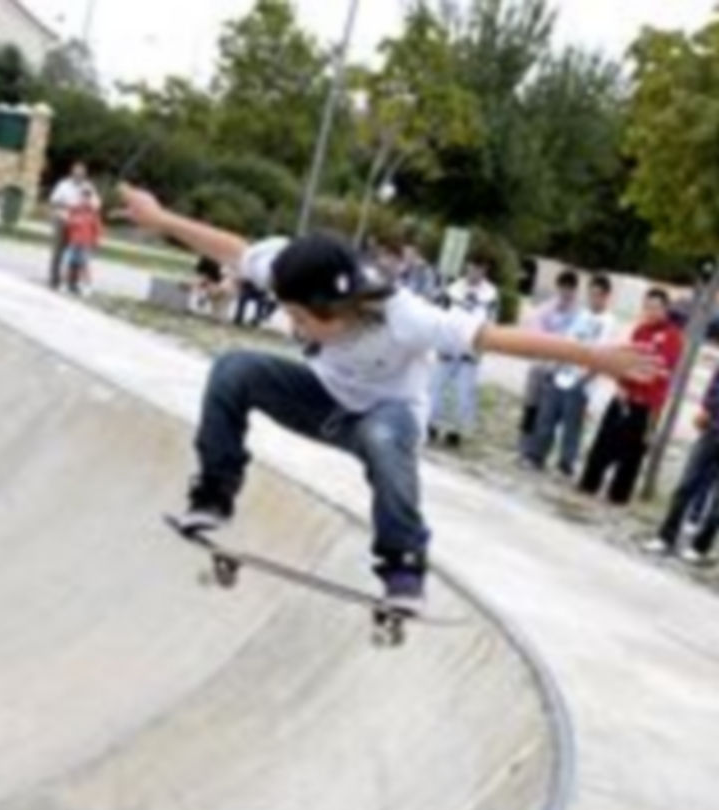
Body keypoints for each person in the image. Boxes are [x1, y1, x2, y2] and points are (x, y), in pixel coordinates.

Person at [118, 183, 660, 611]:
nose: (295, 325)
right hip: (322, 401)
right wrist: (161, 219)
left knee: (381, 435)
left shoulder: (408, 317)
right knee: (234, 368)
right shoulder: (296, 266)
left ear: (343, 308)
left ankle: (403, 561)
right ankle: (214, 494)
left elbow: (495, 339)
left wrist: (599, 358)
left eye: (304, 319)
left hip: (387, 417)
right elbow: (233, 248)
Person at [579, 288, 683, 505]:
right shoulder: (640, 331)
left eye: (655, 307)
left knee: (632, 454)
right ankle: (589, 485)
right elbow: (626, 359)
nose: (650, 311)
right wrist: (620, 383)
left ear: (665, 309)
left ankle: (618, 496)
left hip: (645, 403)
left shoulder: (673, 337)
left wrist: (645, 389)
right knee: (603, 442)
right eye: (647, 307)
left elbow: (661, 371)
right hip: (623, 396)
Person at [527, 274, 617, 476]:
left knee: (572, 425)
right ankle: (536, 455)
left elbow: (603, 354)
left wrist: (586, 379)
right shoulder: (581, 315)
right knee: (547, 417)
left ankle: (566, 462)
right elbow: (567, 342)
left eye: (597, 295)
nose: (593, 299)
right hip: (562, 372)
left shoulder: (608, 322)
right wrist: (555, 367)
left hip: (581, 379)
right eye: (590, 294)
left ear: (605, 297)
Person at [643, 367, 719, 564]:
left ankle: (699, 547)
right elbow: (714, 384)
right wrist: (706, 407)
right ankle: (665, 537)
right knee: (685, 486)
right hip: (713, 430)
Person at [428, 254, 499, 447]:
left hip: (471, 348)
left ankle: (455, 431)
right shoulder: (453, 289)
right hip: (449, 343)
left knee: (463, 391)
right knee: (436, 386)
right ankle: (430, 425)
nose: (475, 271)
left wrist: (482, 347)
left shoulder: (490, 294)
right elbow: (440, 313)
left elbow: (490, 321)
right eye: (472, 267)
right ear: (467, 267)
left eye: (480, 268)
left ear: (485, 270)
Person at [518, 269, 582, 459]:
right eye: (563, 288)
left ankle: (537, 449)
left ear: (574, 291)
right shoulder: (547, 308)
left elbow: (573, 339)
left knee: (547, 412)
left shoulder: (578, 314)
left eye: (569, 290)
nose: (565, 293)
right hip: (540, 363)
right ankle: (523, 444)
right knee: (531, 405)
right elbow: (535, 330)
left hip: (560, 366)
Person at [49, 162, 100, 289]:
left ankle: (73, 282)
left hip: (80, 223)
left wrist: (87, 205)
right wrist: (68, 206)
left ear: (84, 175)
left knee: (77, 254)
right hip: (63, 219)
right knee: (59, 250)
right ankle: (54, 279)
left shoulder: (88, 186)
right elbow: (54, 200)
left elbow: (96, 203)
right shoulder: (63, 185)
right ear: (72, 173)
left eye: (81, 173)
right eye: (76, 173)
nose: (78, 175)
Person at [63, 185, 102, 295]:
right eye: (83, 196)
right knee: (69, 264)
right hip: (73, 241)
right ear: (80, 197)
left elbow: (97, 228)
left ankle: (87, 286)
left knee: (84, 265)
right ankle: (66, 284)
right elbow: (68, 224)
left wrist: (96, 242)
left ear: (90, 199)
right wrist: (72, 222)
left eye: (87, 197)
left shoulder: (93, 212)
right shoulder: (74, 210)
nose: (85, 199)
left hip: (86, 243)